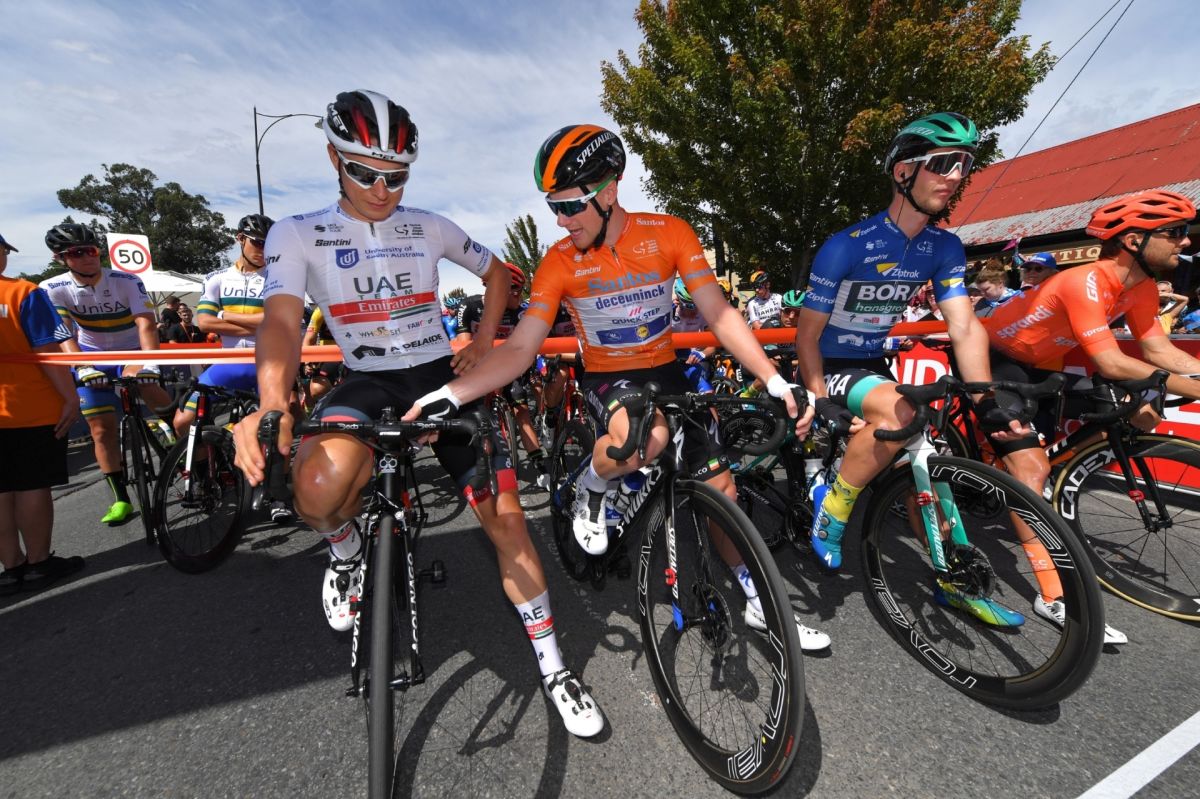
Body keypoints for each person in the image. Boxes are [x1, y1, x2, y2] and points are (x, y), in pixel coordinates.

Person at [231, 90, 604, 737]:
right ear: (333, 159)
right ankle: (346, 553)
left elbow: (499, 275)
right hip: (365, 379)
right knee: (313, 487)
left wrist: (481, 341)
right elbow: (282, 323)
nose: (383, 190)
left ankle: (555, 668)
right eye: (365, 173)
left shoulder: (428, 225)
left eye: (397, 176)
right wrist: (271, 404)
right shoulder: (296, 233)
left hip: (438, 374)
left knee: (509, 525)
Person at [402, 123, 830, 651]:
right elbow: (520, 348)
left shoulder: (669, 233)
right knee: (643, 440)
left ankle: (758, 597)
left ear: (609, 192)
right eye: (553, 206)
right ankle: (592, 484)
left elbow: (720, 313)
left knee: (724, 490)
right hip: (608, 375)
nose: (560, 220)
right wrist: (451, 394)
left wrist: (774, 378)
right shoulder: (559, 260)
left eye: (570, 205)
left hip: (666, 369)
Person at [796, 111, 1038, 627]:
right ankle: (832, 512)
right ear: (903, 171)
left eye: (964, 165)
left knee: (928, 457)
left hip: (873, 363)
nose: (955, 175)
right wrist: (819, 399)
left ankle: (954, 575)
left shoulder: (943, 246)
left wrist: (984, 399)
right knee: (901, 413)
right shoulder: (846, 245)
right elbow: (807, 335)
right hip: (832, 363)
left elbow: (964, 326)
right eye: (942, 163)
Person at [976, 189, 1200, 643]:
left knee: (1123, 413)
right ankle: (1051, 595)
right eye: (1174, 232)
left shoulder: (1139, 288)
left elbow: (1159, 351)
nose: (1186, 242)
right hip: (996, 356)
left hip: (1046, 365)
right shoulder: (1086, 280)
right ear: (1134, 240)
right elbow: (1113, 363)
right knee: (1030, 470)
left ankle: (1020, 472)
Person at [39, 223, 172, 526]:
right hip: (91, 355)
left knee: (153, 393)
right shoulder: (53, 287)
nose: (88, 257)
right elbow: (63, 333)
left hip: (133, 350)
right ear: (60, 258)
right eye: (77, 253)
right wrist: (82, 367)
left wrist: (149, 363)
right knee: (101, 430)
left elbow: (145, 323)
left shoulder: (127, 280)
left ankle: (184, 447)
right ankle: (121, 498)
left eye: (92, 250)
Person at [0, 234, 84, 593]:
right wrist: (71, 397)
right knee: (32, 484)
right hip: (29, 407)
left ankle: (11, 567)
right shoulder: (22, 293)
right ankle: (38, 562)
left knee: (2, 490)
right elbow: (47, 352)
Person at [454, 263, 549, 483]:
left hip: (508, 364)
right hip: (478, 364)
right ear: (500, 290)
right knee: (472, 412)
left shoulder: (521, 311)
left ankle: (540, 467)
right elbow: (463, 346)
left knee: (521, 411)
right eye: (517, 292)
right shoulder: (469, 306)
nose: (520, 297)